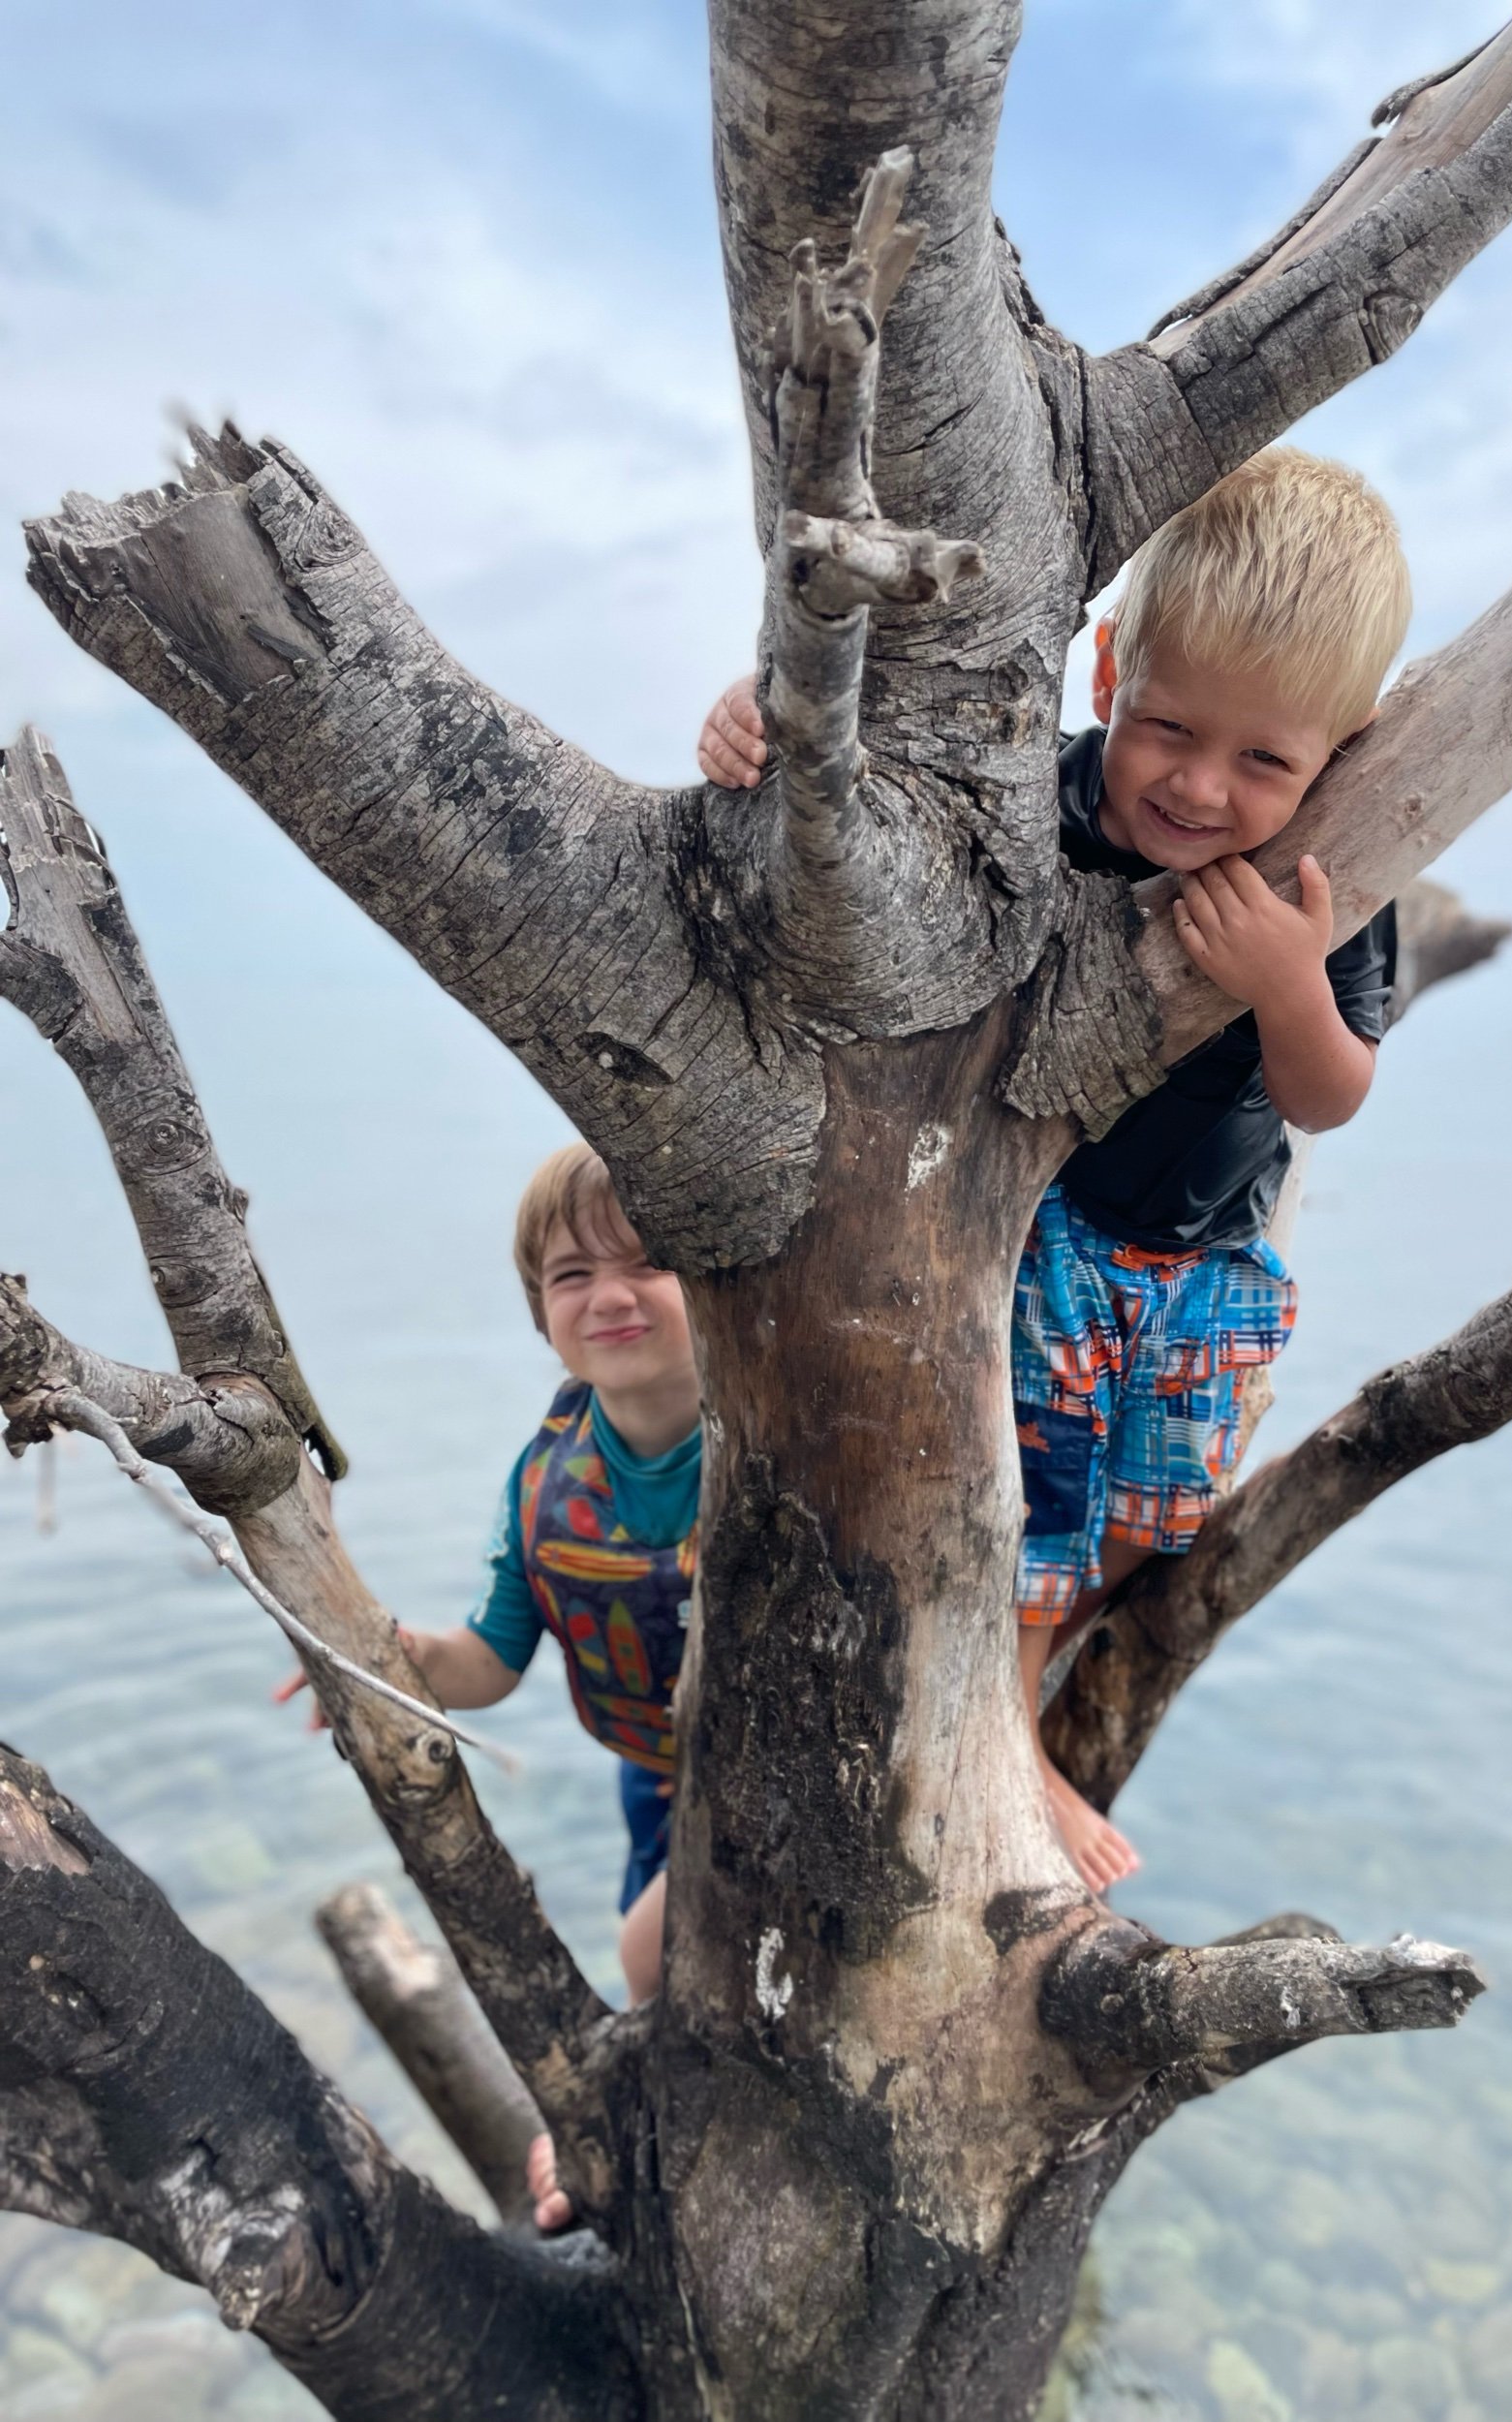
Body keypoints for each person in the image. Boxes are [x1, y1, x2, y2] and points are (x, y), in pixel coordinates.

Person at [695, 448, 1410, 1895]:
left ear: (1339, 752)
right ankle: (1004, 1734)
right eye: (1166, 730)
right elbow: (871, 785)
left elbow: (1327, 1094)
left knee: (1161, 1505)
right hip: (1041, 1227)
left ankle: (1029, 1672)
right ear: (1102, 673)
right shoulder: (1044, 795)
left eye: (1264, 760)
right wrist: (752, 715)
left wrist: (1286, 980)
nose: (1199, 789)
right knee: (1030, 1482)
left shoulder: (1330, 879)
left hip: (1200, 1257)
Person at [279, 1141, 698, 2229]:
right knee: (677, 1976)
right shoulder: (547, 1476)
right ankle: (643, 2126)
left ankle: (617, 2119)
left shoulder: (774, 1435)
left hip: (788, 1772)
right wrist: (382, 1660)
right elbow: (489, 1662)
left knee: (652, 1954)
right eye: (571, 1276)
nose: (608, 1295)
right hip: (655, 1777)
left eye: (648, 1264)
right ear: (539, 1310)